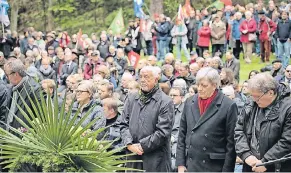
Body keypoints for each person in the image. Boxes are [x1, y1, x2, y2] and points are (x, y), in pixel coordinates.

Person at [176, 67, 237, 172]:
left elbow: (231, 144)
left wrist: (227, 170)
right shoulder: (190, 102)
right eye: (198, 85)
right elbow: (182, 134)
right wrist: (181, 164)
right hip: (191, 164)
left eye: (204, 86)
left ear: (214, 85)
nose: (199, 88)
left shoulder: (228, 105)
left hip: (214, 166)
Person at [119, 66, 174, 172]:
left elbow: (163, 132)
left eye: (146, 77)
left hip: (155, 160)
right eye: (141, 77)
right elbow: (123, 124)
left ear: (156, 79)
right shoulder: (131, 98)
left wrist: (141, 146)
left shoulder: (165, 101)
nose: (143, 80)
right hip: (133, 158)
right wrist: (129, 144)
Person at [234, 73, 291, 172]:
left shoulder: (288, 108)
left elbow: (287, 141)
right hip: (250, 164)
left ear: (270, 93)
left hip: (277, 167)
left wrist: (266, 161)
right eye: (252, 96)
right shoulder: (250, 103)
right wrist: (246, 155)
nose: (255, 100)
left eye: (257, 97)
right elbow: (239, 130)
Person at [4, 59, 41, 130]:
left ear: (16, 74)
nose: (7, 78)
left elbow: (40, 119)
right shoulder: (11, 88)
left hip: (23, 137)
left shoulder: (34, 90)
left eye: (7, 75)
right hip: (9, 135)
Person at [169, 87, 185, 171]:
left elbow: (184, 129)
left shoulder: (186, 110)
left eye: (174, 95)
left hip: (178, 143)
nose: (172, 97)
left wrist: (174, 137)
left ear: (181, 97)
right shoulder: (165, 108)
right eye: (170, 95)